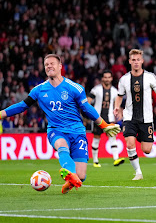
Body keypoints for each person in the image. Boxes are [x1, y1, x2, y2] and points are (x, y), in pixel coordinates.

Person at [0, 54, 120, 194]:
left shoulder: (75, 88)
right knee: (62, 147)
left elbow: (87, 109)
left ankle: (70, 181)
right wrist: (1, 114)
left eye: (52, 63)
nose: (49, 66)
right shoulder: (39, 90)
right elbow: (22, 106)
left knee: (81, 176)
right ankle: (69, 172)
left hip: (77, 132)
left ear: (60, 66)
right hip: (56, 130)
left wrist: (104, 125)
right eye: (46, 65)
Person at [114, 49, 156, 180]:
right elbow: (119, 96)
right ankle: (138, 172)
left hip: (146, 118)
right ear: (130, 61)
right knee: (130, 144)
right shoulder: (124, 79)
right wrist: (116, 107)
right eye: (133, 60)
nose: (136, 62)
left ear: (142, 61)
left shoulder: (150, 77)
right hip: (129, 117)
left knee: (147, 150)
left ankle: (137, 136)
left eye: (138, 60)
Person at [88, 70, 125, 167]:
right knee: (96, 139)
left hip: (110, 118)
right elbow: (88, 100)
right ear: (102, 78)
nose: (107, 79)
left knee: (113, 138)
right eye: (105, 77)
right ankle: (95, 161)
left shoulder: (114, 91)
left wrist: (119, 112)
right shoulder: (96, 89)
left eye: (109, 77)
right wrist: (88, 111)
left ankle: (116, 159)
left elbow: (117, 104)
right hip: (97, 118)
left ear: (112, 78)